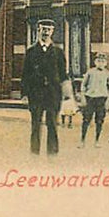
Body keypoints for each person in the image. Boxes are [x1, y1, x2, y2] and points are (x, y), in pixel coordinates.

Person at [21, 19, 71, 156]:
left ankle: (52, 153)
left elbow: (63, 74)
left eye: (48, 30)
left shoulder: (58, 52)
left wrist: (67, 94)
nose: (46, 33)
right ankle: (34, 152)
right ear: (38, 30)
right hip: (35, 94)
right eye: (43, 29)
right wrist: (24, 94)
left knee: (52, 124)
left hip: (53, 94)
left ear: (52, 32)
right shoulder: (31, 51)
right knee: (36, 124)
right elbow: (25, 74)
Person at [79, 53, 109, 147]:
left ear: (105, 63)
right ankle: (82, 140)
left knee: (100, 120)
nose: (100, 63)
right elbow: (83, 86)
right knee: (86, 119)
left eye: (102, 61)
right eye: (98, 61)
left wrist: (108, 101)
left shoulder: (107, 74)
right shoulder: (90, 72)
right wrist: (83, 97)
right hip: (90, 98)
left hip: (101, 99)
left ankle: (97, 140)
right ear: (95, 62)